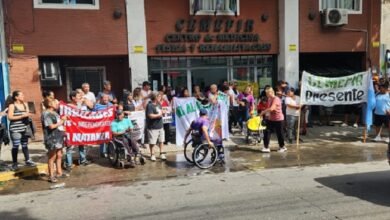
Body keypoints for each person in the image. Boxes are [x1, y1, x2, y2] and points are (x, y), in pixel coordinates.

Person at [7, 90, 35, 170]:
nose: (23, 96)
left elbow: (30, 114)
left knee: (25, 145)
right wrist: (22, 116)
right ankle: (15, 163)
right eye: (21, 95)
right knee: (16, 146)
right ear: (16, 97)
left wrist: (29, 114)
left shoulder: (25, 104)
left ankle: (28, 160)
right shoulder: (12, 106)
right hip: (15, 129)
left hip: (25, 128)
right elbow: (10, 117)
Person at [42, 98, 68, 183]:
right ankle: (51, 175)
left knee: (59, 154)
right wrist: (62, 121)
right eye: (55, 103)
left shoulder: (55, 113)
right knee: (52, 157)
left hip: (58, 137)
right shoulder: (46, 114)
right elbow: (51, 126)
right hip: (51, 138)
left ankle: (59, 172)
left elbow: (58, 125)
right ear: (50, 104)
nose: (57, 104)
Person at [65, 91, 90, 171]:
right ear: (73, 97)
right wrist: (80, 103)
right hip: (71, 129)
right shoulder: (68, 106)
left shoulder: (80, 106)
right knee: (70, 147)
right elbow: (77, 111)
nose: (80, 98)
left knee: (82, 145)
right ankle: (69, 164)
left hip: (79, 128)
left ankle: (83, 160)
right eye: (78, 96)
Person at [259, 87, 286, 153]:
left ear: (271, 92)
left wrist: (263, 112)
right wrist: (266, 116)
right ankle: (266, 147)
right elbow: (269, 109)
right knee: (267, 132)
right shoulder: (269, 99)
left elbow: (272, 108)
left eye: (268, 93)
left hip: (279, 119)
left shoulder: (276, 99)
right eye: (266, 93)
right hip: (271, 119)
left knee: (279, 134)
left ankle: (282, 147)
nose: (267, 94)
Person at [145, 92, 167, 161]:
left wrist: (163, 113)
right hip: (152, 127)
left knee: (161, 140)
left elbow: (160, 112)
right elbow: (150, 115)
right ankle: (152, 154)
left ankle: (161, 153)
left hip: (160, 125)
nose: (160, 98)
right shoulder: (150, 105)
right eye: (159, 97)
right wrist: (158, 115)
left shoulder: (159, 104)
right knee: (152, 142)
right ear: (155, 97)